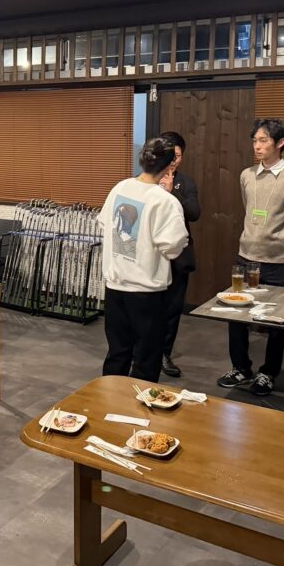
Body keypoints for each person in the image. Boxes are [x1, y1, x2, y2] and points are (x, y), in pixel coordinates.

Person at [218, 117, 284, 396]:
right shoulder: (247, 175)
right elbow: (250, 209)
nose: (257, 146)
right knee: (236, 314)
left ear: (280, 143)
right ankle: (240, 367)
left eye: (263, 140)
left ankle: (268, 372)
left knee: (276, 320)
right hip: (247, 255)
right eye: (255, 140)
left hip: (281, 260)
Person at [98, 137, 188, 382]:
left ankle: (109, 400)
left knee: (117, 352)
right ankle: (139, 406)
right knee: (147, 358)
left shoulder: (120, 188)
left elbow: (105, 223)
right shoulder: (165, 201)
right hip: (146, 292)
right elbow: (173, 248)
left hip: (115, 287)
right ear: (169, 166)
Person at [156, 131, 200, 379]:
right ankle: (142, 351)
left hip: (178, 255)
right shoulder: (147, 180)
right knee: (148, 306)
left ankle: (164, 353)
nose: (173, 160)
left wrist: (173, 192)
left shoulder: (187, 182)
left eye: (178, 155)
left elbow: (194, 213)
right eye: (169, 154)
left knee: (173, 307)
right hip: (151, 254)